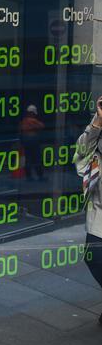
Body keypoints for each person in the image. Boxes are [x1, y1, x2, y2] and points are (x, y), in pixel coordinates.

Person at [74, 95, 102, 325]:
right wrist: (97, 121)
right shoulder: (99, 123)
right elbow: (81, 151)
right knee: (93, 257)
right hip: (100, 210)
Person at [19, 105, 45, 181]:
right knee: (36, 159)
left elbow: (21, 129)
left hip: (26, 142)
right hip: (33, 142)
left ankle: (29, 176)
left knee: (28, 159)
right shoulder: (33, 121)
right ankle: (39, 175)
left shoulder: (23, 121)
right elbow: (41, 126)